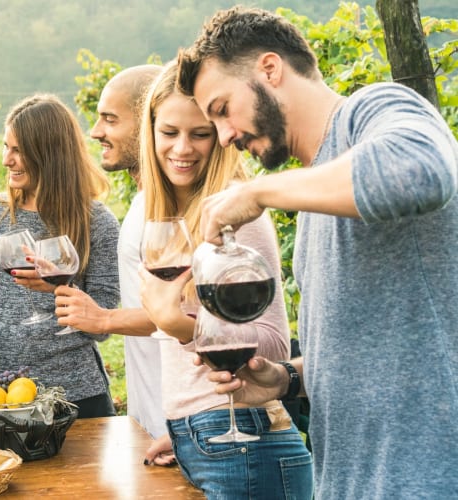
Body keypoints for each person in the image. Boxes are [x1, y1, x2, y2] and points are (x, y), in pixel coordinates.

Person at [177, 6, 458, 498]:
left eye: (222, 109)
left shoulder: (374, 110)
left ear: (270, 68)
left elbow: (422, 169)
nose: (224, 136)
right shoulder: (315, 203)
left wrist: (260, 193)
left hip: (426, 478)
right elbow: (364, 354)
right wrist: (284, 379)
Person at [99, 62, 313, 497]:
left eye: (200, 134)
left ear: (220, 136)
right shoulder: (165, 213)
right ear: (150, 131)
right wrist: (185, 430)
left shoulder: (233, 216)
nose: (183, 148)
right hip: (204, 438)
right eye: (169, 132)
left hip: (248, 441)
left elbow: (272, 341)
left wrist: (181, 327)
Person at [0, 94, 119, 418]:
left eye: (18, 150)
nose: (6, 160)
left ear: (49, 154)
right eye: (6, 147)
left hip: (77, 396)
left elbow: (103, 325)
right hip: (1, 394)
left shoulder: (98, 222)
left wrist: (57, 289)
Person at [59, 65, 168, 441]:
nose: (96, 131)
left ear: (149, 122)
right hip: (154, 419)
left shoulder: (170, 209)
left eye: (110, 119)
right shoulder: (142, 201)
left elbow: (186, 315)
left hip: (180, 422)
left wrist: (103, 319)